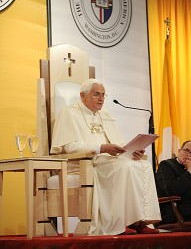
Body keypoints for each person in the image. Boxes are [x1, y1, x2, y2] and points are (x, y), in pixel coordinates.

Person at [51, 78, 161, 235]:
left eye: (103, 95)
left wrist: (131, 151)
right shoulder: (68, 113)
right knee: (124, 167)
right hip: (87, 163)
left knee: (144, 165)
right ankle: (119, 223)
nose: (101, 98)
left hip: (109, 160)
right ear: (82, 96)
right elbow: (69, 146)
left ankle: (140, 221)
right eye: (96, 94)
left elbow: (119, 144)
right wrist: (101, 148)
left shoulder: (106, 115)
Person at [156, 140, 191, 224]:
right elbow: (170, 190)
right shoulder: (166, 165)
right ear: (179, 151)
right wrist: (188, 172)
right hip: (177, 207)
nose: (189, 155)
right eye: (186, 150)